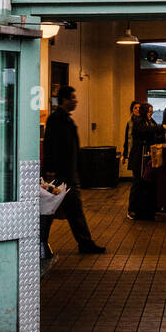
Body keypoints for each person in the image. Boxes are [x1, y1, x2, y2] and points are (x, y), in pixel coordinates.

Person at [41, 86, 104, 255]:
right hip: (59, 175)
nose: (75, 101)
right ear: (64, 100)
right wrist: (51, 170)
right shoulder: (56, 119)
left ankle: (84, 243)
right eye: (73, 98)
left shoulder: (66, 120)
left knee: (70, 209)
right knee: (49, 210)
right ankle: (41, 243)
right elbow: (50, 145)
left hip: (68, 174)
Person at [127, 103, 164, 220]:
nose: (151, 114)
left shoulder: (150, 121)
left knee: (147, 182)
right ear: (144, 112)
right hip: (138, 156)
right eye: (149, 112)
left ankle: (145, 208)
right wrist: (161, 127)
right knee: (137, 182)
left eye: (152, 111)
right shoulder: (138, 122)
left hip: (147, 155)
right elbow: (146, 130)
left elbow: (154, 132)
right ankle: (131, 209)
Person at [120, 100, 140, 177]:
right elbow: (127, 138)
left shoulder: (144, 121)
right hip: (133, 151)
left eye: (139, 108)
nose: (138, 109)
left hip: (141, 151)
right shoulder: (130, 122)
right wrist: (124, 155)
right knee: (135, 175)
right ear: (132, 110)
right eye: (135, 108)